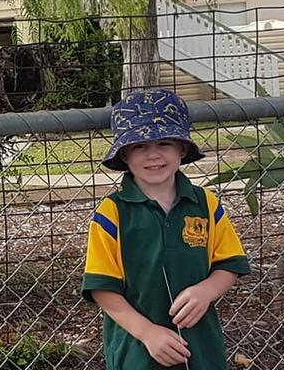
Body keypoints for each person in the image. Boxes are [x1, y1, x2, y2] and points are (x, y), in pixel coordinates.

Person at [82, 88, 250, 369]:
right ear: (124, 154)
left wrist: (206, 291)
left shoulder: (205, 204)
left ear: (182, 149)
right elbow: (102, 289)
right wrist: (147, 332)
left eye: (164, 144)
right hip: (137, 350)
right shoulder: (111, 213)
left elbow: (230, 263)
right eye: (140, 146)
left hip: (201, 347)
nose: (153, 156)